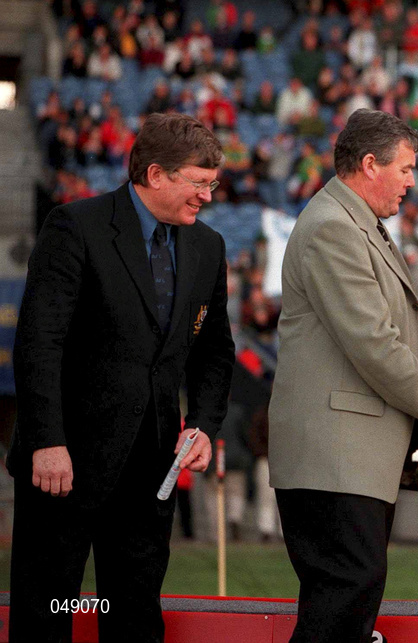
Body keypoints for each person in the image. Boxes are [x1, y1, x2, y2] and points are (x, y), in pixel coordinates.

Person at [9, 113, 235, 642]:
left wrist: (202, 424)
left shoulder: (208, 247)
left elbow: (214, 350)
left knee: (131, 611)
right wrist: (47, 441)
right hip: (63, 464)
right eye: (199, 183)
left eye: (212, 184)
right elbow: (40, 341)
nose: (207, 196)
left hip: (150, 469)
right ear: (156, 175)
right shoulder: (76, 227)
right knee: (47, 608)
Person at [268, 109, 418, 642]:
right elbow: (374, 346)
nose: (413, 181)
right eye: (406, 169)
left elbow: (391, 334)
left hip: (350, 460)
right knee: (343, 601)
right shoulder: (333, 229)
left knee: (346, 602)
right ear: (369, 164)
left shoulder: (355, 224)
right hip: (335, 460)